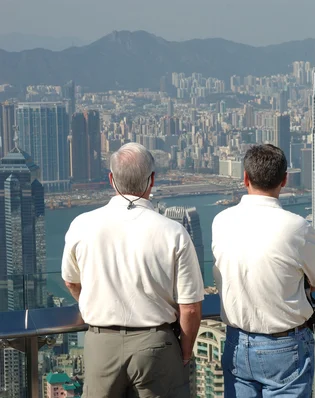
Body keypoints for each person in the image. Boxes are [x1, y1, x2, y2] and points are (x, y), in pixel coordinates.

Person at [61, 143, 204, 398]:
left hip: (100, 343)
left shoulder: (81, 225)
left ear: (111, 180)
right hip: (156, 345)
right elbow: (190, 307)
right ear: (152, 181)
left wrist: (94, 304)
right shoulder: (173, 232)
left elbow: (71, 282)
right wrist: (185, 350)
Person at [212, 144, 315, 397]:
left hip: (236, 342)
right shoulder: (296, 227)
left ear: (245, 177)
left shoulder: (221, 221)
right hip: (285, 345)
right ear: (284, 180)